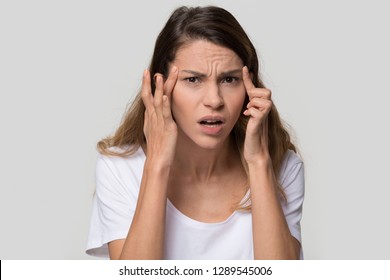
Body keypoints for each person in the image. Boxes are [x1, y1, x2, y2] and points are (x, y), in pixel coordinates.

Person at [86, 5, 304, 260]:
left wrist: (258, 163)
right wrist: (156, 165)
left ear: (250, 88)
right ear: (161, 86)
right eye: (193, 80)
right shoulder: (120, 167)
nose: (214, 100)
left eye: (229, 79)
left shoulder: (281, 166)